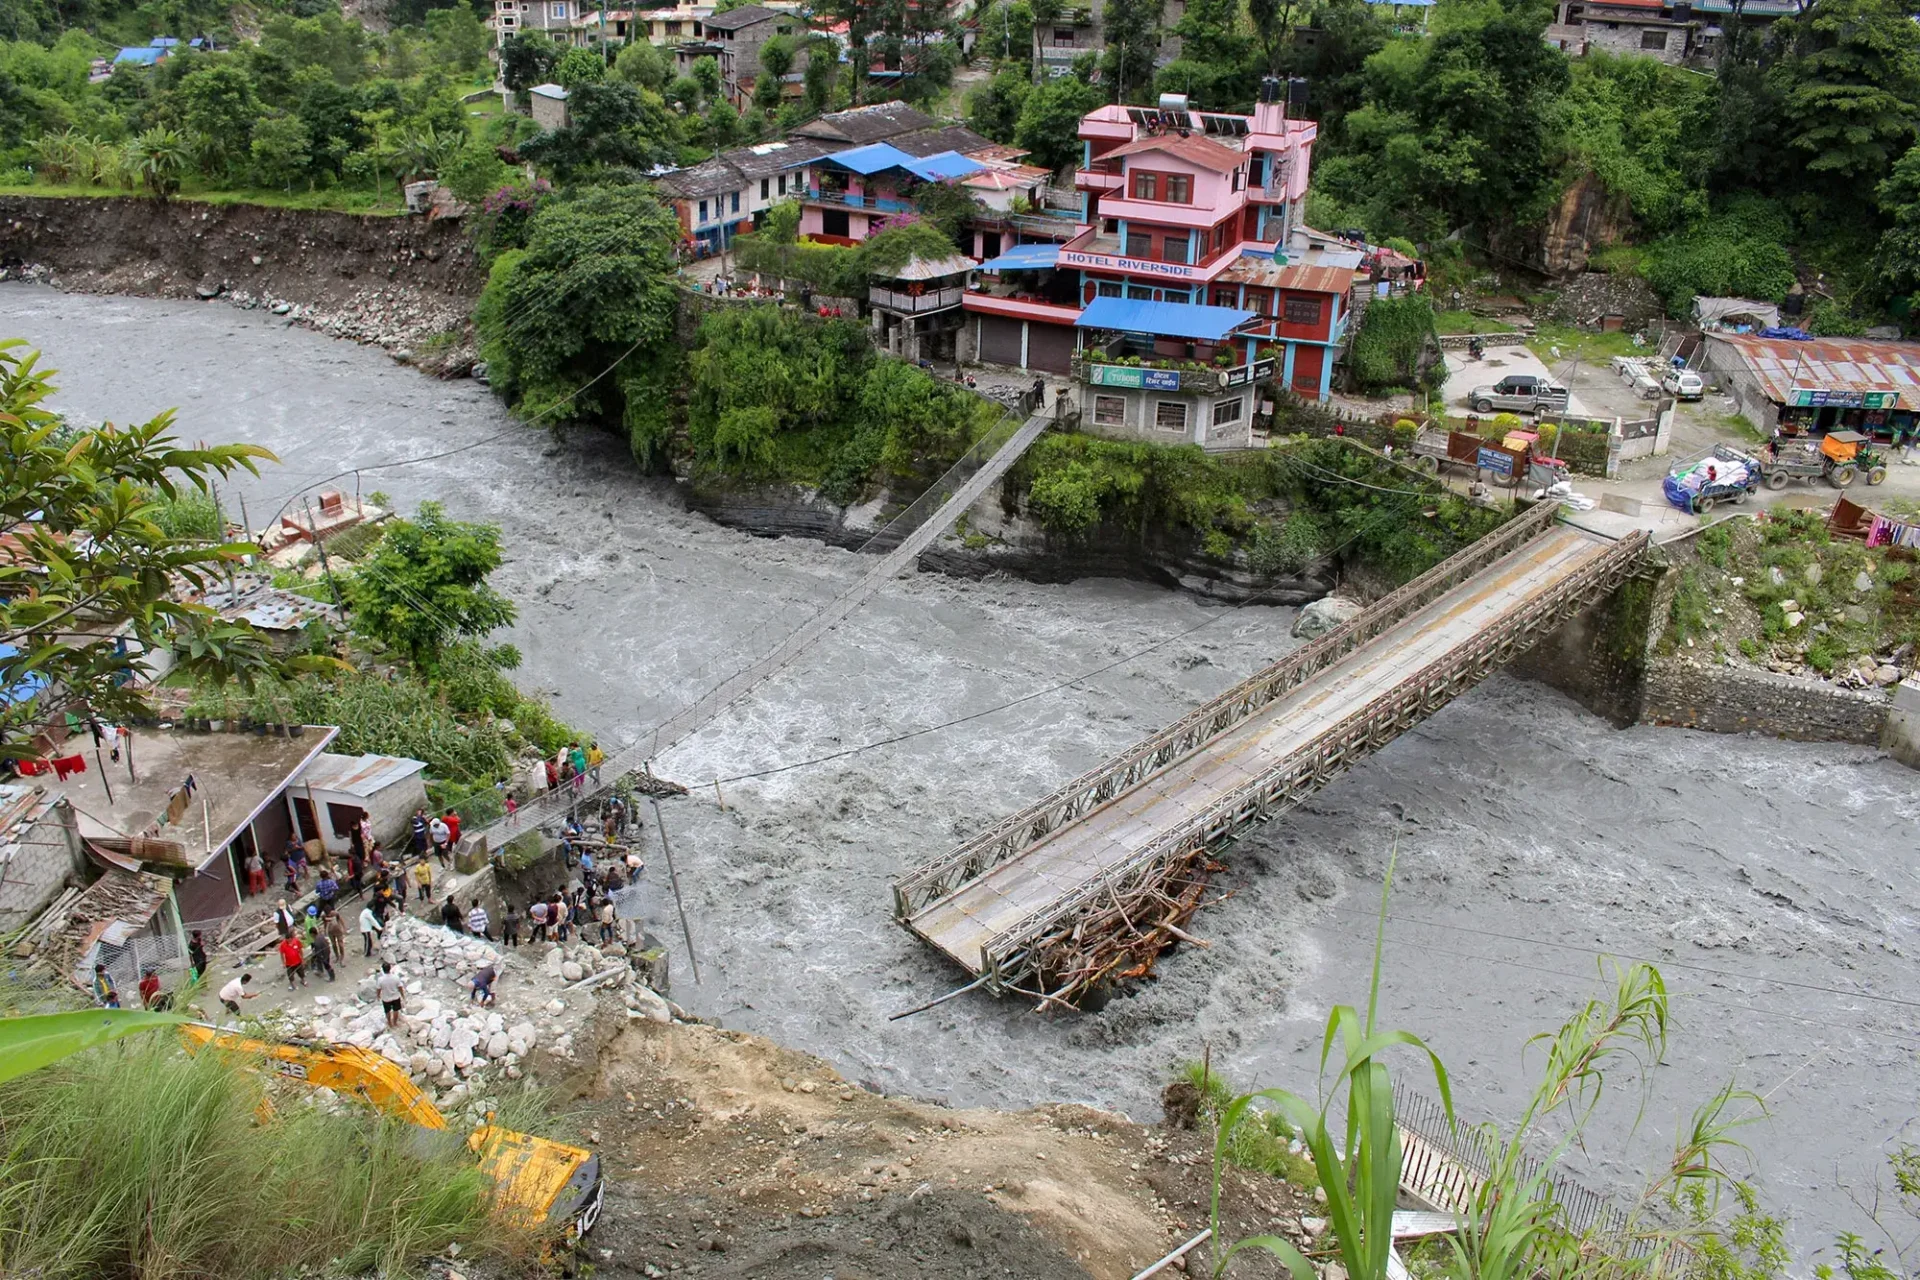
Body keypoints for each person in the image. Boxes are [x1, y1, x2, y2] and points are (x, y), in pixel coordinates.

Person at [374, 962, 405, 1029]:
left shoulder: (380, 979)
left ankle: (390, 1023)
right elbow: (400, 987)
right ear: (390, 968)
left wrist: (378, 996)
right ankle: (395, 1022)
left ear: (383, 969)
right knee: (396, 1010)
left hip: (386, 998)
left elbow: (378, 989)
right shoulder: (395, 977)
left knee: (387, 1011)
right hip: (395, 996)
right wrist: (402, 995)